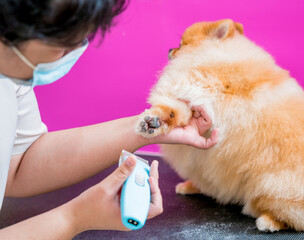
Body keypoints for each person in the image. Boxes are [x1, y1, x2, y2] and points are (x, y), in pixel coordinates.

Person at [0, 0, 218, 239]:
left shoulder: (11, 72)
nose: (71, 55)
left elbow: (17, 165)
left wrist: (149, 127)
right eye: (64, 45)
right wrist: (74, 218)